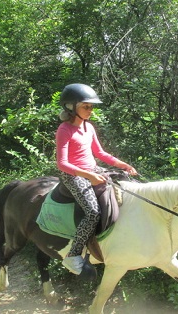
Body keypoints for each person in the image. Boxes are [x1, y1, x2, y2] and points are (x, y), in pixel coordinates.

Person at [56, 83, 137, 275]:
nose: (90, 110)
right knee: (92, 211)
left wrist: (122, 164)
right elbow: (62, 163)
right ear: (71, 107)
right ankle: (73, 254)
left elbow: (99, 152)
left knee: (126, 182)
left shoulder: (88, 127)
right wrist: (89, 175)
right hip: (74, 174)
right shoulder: (64, 129)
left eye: (92, 107)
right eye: (86, 106)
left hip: (92, 168)